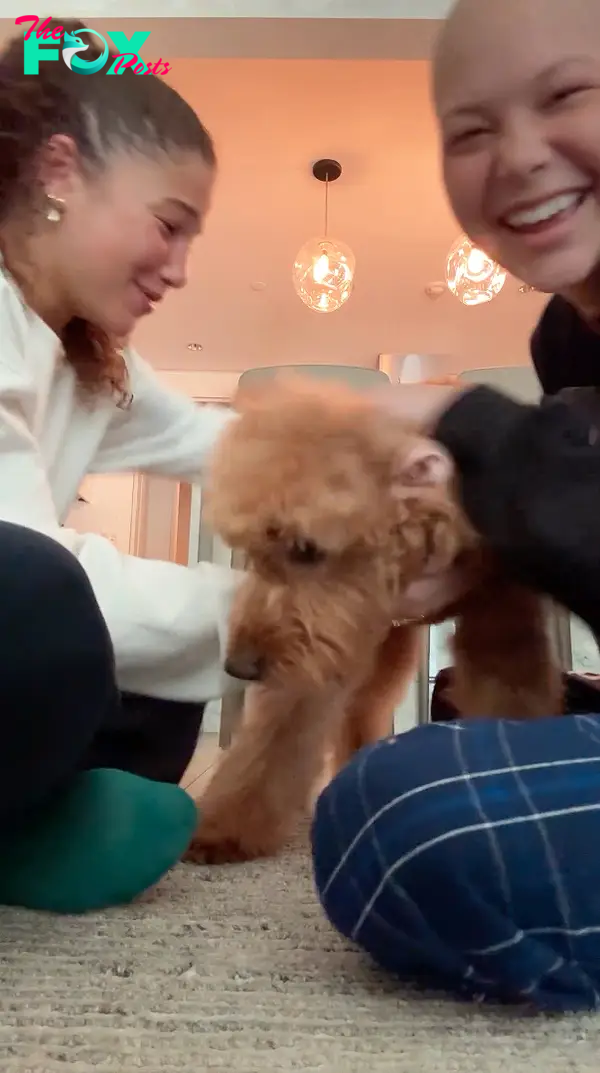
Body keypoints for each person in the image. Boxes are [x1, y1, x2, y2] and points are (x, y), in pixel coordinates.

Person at [311, 0, 600, 1012]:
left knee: (406, 821)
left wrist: (453, 412)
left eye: (566, 94)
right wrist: (476, 554)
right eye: (469, 131)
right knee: (445, 728)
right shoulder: (564, 340)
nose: (517, 157)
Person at [0, 19, 245, 914]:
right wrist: (277, 616)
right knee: (36, 591)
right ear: (60, 173)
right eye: (168, 227)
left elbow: (226, 447)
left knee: (158, 689)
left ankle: (26, 822)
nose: (179, 270)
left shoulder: (84, 355)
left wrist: (396, 463)